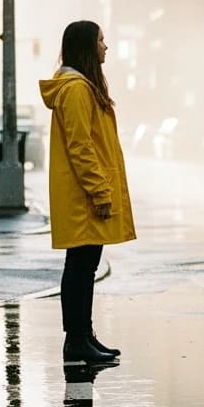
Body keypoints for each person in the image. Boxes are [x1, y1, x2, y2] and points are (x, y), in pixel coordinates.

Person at [39, 21, 136, 365]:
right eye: (100, 40)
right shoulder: (77, 90)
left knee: (84, 267)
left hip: (83, 196)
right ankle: (77, 340)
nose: (106, 46)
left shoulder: (79, 87)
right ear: (86, 47)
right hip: (84, 198)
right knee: (81, 268)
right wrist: (99, 191)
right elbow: (81, 147)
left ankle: (83, 336)